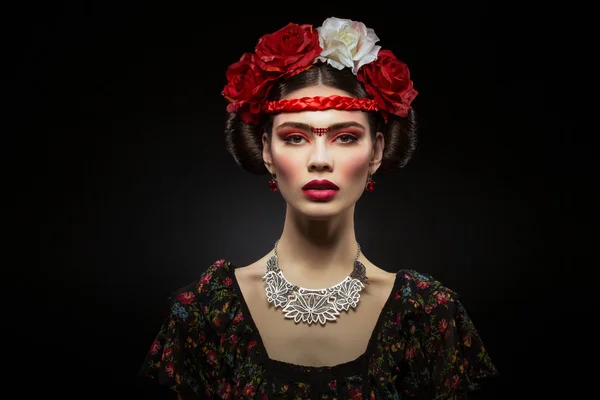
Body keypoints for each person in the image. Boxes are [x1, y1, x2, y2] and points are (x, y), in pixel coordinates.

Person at [138, 16, 498, 399]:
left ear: (376, 151)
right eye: (295, 138)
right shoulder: (206, 313)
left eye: (345, 137)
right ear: (266, 152)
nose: (320, 160)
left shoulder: (429, 316)